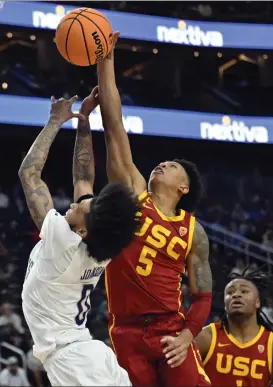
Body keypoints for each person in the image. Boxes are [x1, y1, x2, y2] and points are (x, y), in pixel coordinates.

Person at [97, 32, 212, 387]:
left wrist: (187, 336)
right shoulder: (134, 194)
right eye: (160, 162)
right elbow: (114, 124)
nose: (161, 165)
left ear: (184, 187)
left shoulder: (194, 231)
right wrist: (106, 59)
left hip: (170, 328)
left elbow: (203, 295)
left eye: (171, 166)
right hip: (126, 329)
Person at [19, 89, 139, 386]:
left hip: (74, 361)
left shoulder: (64, 244)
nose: (73, 203)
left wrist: (55, 121)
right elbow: (83, 179)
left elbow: (29, 175)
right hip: (89, 353)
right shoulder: (97, 242)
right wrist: (83, 120)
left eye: (79, 206)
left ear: (82, 231)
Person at [195, 268, 273, 387]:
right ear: (225, 303)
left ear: (257, 302)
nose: (236, 295)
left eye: (244, 291)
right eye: (230, 293)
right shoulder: (205, 337)